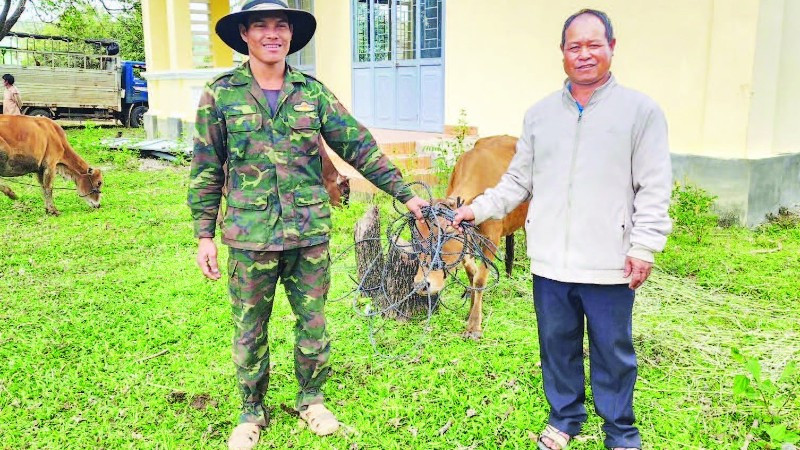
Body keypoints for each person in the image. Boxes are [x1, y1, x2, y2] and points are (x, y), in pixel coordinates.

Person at [186, 1, 427, 448]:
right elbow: (205, 167)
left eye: (281, 26)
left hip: (308, 234)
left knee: (313, 323)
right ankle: (251, 411)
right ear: (245, 34)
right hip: (250, 237)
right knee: (249, 329)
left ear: (291, 35)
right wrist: (204, 235)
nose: (272, 34)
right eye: (261, 26)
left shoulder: (312, 93)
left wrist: (406, 194)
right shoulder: (220, 94)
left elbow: (358, 146)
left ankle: (311, 400)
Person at [451, 9, 672, 450]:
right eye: (575, 46)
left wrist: (644, 246)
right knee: (557, 345)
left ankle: (620, 431)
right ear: (563, 53)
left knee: (612, 350)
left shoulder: (640, 112)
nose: (584, 54)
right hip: (550, 259)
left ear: (612, 47)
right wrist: (476, 209)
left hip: (610, 260)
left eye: (594, 44)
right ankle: (565, 418)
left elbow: (654, 185)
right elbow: (517, 182)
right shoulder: (540, 115)